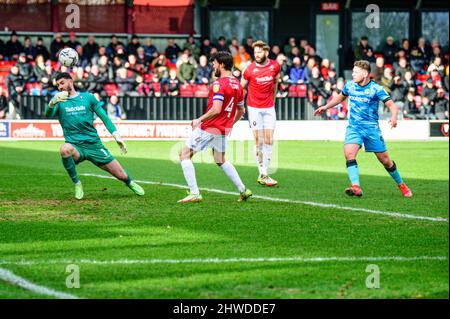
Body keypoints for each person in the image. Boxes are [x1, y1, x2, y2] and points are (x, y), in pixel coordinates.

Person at [314, 60, 412, 198]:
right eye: (353, 72)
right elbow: (340, 98)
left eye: (356, 72)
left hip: (372, 130)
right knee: (349, 154)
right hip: (354, 127)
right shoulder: (350, 86)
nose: (353, 74)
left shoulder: (376, 89)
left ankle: (401, 184)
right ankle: (356, 186)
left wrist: (394, 117)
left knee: (385, 161)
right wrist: (326, 106)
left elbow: (392, 105)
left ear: (365, 74)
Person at [44, 72, 145, 200]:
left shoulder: (88, 98)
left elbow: (104, 118)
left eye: (62, 83)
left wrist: (117, 136)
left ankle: (129, 182)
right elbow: (47, 115)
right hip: (76, 147)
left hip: (94, 145)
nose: (60, 87)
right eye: (58, 85)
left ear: (71, 81)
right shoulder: (59, 102)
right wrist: (52, 103)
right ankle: (77, 183)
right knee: (64, 149)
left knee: (121, 175)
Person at [178, 51, 252, 203]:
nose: (213, 67)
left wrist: (199, 119)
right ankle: (243, 190)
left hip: (209, 127)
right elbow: (241, 110)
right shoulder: (238, 85)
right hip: (223, 129)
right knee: (220, 159)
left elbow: (216, 109)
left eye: (214, 64)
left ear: (222, 64)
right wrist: (230, 124)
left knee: (184, 155)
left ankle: (194, 193)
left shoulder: (218, 84)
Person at [241, 40, 281, 186]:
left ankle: (264, 172)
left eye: (259, 52)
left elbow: (275, 82)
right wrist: (240, 105)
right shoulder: (249, 69)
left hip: (269, 107)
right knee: (259, 140)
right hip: (254, 108)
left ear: (266, 52)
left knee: (269, 139)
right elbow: (241, 88)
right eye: (255, 52)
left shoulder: (275, 66)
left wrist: (274, 99)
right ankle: (262, 172)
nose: (257, 55)